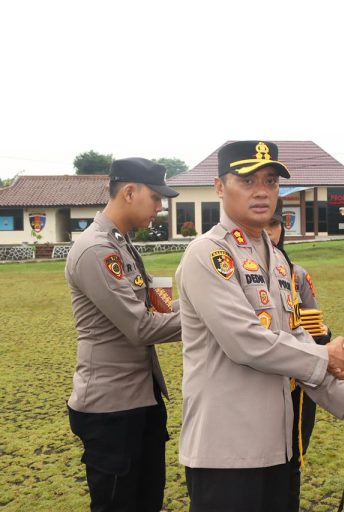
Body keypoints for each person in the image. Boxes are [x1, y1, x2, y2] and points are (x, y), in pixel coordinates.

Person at [175, 140, 344, 512]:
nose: (261, 191)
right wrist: (326, 355)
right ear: (219, 187)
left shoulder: (276, 259)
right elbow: (246, 341)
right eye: (247, 180)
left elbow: (295, 335)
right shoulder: (207, 254)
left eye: (270, 181)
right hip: (227, 452)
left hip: (276, 445)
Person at [66, 157, 182, 512]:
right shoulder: (97, 249)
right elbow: (140, 326)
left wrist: (199, 300)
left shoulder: (121, 243)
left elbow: (154, 308)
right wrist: (210, 314)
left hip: (140, 400)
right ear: (129, 192)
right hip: (111, 409)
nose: (160, 208)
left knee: (148, 501)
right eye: (156, 198)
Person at [264, 199, 329, 512]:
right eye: (263, 224)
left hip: (298, 378)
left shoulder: (296, 275)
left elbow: (314, 323)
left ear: (282, 229)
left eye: (274, 224)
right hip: (259, 379)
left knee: (291, 455)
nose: (268, 232)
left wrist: (324, 337)